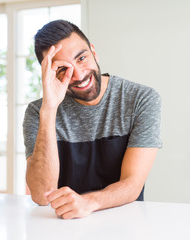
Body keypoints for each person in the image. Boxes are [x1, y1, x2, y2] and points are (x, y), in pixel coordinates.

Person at [23, 19, 162, 219]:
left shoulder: (141, 99)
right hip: (63, 225)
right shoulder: (38, 111)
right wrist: (49, 109)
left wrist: (88, 202)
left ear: (93, 52)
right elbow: (41, 195)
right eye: (63, 69)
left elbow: (132, 184)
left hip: (126, 223)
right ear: (49, 74)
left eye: (81, 58)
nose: (78, 75)